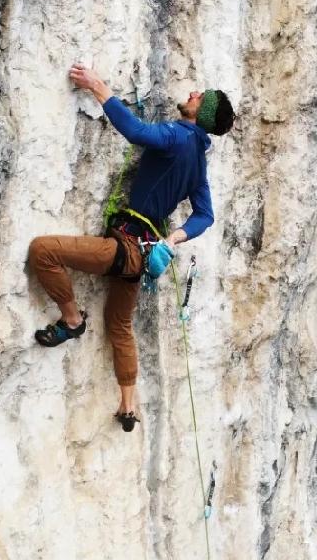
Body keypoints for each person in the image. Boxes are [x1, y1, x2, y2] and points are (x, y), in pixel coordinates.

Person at [27, 63, 236, 432]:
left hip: (125, 246)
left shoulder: (178, 135)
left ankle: (72, 320)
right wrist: (172, 240)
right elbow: (205, 215)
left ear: (200, 112)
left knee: (44, 251)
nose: (190, 94)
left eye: (198, 96)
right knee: (119, 324)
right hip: (144, 253)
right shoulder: (198, 163)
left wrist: (97, 85)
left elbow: (136, 132)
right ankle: (127, 406)